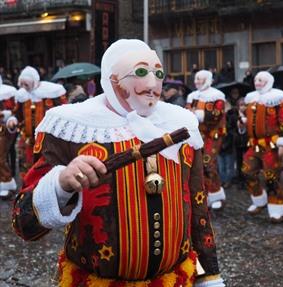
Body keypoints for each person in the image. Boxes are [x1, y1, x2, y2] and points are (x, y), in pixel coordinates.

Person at [12, 39, 225, 286]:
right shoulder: (70, 127)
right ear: (113, 80)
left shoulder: (181, 124)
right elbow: (23, 223)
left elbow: (198, 210)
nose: (153, 83)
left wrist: (208, 276)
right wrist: (59, 185)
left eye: (158, 72)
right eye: (141, 72)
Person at [239, 71, 283, 223]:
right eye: (256, 80)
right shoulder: (251, 99)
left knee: (271, 176)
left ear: (268, 81)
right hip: (254, 144)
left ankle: (277, 208)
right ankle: (259, 200)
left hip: (272, 145)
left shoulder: (278, 98)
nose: (257, 82)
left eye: (261, 80)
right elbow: (251, 120)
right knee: (247, 171)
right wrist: (243, 123)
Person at [186, 70, 227, 210]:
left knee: (208, 163)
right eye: (196, 79)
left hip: (212, 135)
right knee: (198, 166)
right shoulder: (192, 96)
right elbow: (186, 112)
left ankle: (215, 194)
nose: (197, 82)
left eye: (200, 79)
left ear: (207, 80)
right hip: (197, 135)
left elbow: (217, 114)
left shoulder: (217, 96)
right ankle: (206, 195)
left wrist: (197, 114)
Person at [14, 66, 67, 172]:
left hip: (47, 138)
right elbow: (17, 114)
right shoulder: (22, 96)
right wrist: (14, 121)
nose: (24, 87)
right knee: (27, 164)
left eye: (27, 84)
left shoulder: (50, 93)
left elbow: (63, 109)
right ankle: (28, 187)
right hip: (28, 138)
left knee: (46, 164)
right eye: (22, 84)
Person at [0, 75, 18, 199]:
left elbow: (12, 114)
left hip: (3, 131)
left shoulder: (6, 96)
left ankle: (7, 183)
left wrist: (10, 120)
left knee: (0, 158)